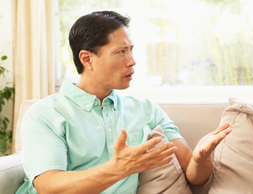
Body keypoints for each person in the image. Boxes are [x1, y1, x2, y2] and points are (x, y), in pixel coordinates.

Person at [16, 11, 231, 194]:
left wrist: (201, 160)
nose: (132, 60)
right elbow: (49, 186)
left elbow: (195, 177)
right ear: (87, 59)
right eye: (120, 52)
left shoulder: (146, 110)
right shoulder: (44, 114)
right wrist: (119, 169)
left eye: (131, 50)